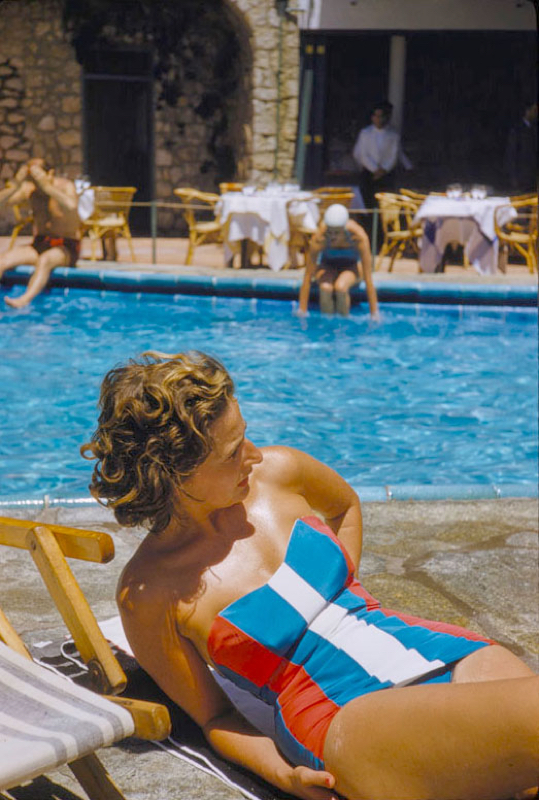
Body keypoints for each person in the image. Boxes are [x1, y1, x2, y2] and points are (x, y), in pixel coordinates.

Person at [82, 350, 538, 800]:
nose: (254, 455)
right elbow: (216, 717)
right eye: (231, 452)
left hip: (427, 646)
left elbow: (345, 505)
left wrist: (350, 592)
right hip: (343, 715)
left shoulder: (281, 472)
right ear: (172, 474)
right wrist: (284, 777)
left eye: (246, 436)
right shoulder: (151, 593)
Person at [0, 158, 81, 308]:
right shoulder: (30, 189)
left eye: (38, 174)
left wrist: (47, 187)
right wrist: (16, 185)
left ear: (50, 173)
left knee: (45, 260)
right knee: (3, 260)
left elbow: (71, 205)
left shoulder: (65, 186)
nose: (35, 180)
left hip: (65, 246)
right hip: (40, 243)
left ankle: (24, 300)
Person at [298, 203, 379, 318]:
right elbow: (307, 276)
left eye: (337, 232)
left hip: (352, 267)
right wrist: (302, 311)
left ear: (344, 228)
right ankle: (327, 325)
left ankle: (343, 325)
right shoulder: (319, 239)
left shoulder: (358, 237)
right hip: (327, 266)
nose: (332, 236)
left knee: (341, 287)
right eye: (329, 232)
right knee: (325, 288)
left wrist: (374, 313)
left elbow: (368, 279)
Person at [352, 100, 412, 231]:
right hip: (368, 174)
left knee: (384, 207)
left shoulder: (393, 135)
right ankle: (368, 233)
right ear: (372, 117)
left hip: (386, 175)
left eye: (381, 116)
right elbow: (362, 154)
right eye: (376, 116)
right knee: (368, 205)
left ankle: (383, 235)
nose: (378, 119)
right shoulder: (365, 133)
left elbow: (393, 155)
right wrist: (374, 169)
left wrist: (383, 170)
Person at [504, 100, 538, 194]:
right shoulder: (517, 130)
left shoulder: (533, 129)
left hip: (533, 178)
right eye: (534, 110)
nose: (536, 113)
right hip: (522, 178)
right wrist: (513, 178)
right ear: (527, 111)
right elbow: (511, 155)